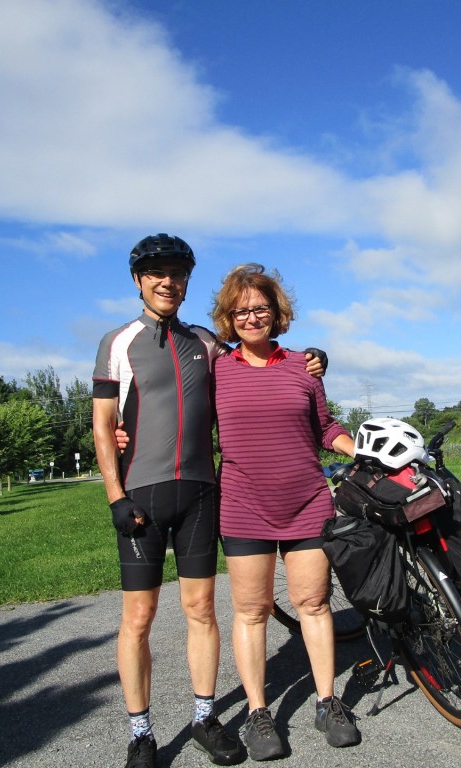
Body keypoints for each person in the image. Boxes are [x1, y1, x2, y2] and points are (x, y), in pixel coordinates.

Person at [92, 234, 325, 768]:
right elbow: (103, 426)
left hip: (201, 493)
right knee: (139, 617)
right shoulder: (117, 341)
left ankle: (203, 716)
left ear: (187, 281)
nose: (166, 281)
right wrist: (115, 495)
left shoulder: (205, 342)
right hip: (141, 498)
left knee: (201, 609)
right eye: (155, 273)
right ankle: (141, 733)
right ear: (138, 281)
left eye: (176, 273)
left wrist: (313, 358)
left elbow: (258, 360)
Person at [210, 264, 361, 761]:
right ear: (230, 319)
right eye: (243, 311)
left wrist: (358, 449)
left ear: (277, 314)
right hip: (244, 504)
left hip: (307, 502)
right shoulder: (217, 369)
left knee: (314, 604)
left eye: (261, 308)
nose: (253, 317)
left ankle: (327, 701)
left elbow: (325, 428)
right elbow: (181, 416)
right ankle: (258, 714)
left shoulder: (304, 367)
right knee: (251, 612)